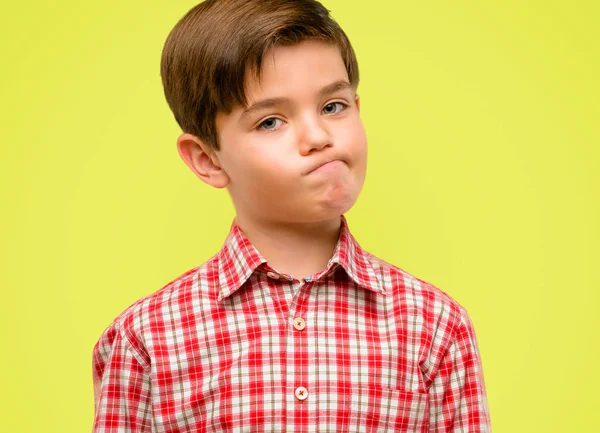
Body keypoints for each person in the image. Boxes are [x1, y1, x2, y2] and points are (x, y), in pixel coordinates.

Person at [92, 0, 492, 431]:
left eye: (333, 106)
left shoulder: (435, 326)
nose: (318, 136)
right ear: (207, 159)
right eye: (270, 122)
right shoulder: (146, 340)